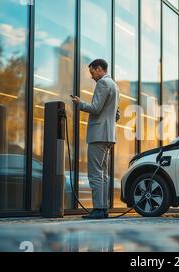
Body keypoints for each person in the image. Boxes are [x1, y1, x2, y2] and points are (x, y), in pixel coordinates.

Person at [71, 59, 120, 219]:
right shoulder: (114, 85)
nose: (92, 77)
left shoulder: (103, 84)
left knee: (95, 173)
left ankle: (98, 209)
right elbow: (116, 115)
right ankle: (103, 208)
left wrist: (80, 103)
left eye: (92, 72)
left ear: (99, 69)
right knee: (104, 174)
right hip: (108, 136)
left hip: (98, 135)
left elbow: (95, 108)